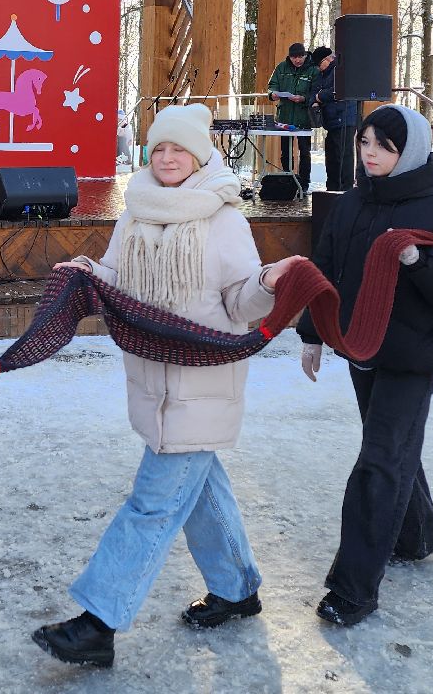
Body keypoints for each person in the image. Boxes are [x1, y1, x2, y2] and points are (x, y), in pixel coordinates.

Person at [31, 103, 299, 668]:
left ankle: (98, 621)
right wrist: (88, 273)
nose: (168, 157)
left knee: (152, 504)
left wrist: (269, 283)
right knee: (199, 487)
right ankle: (237, 588)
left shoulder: (224, 219)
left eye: (179, 148)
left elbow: (240, 301)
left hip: (202, 380)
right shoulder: (136, 212)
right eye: (159, 148)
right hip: (152, 376)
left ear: (200, 155)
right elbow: (118, 278)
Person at [297, 104, 433, 626]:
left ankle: (353, 588)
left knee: (379, 461)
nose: (370, 153)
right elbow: (323, 270)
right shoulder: (351, 204)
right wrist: (313, 333)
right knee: (393, 450)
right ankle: (417, 535)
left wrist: (418, 261)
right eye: (365, 142)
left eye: (384, 146)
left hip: (412, 357)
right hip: (361, 347)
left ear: (410, 152)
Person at [266, 42, 317, 192]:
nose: (297, 60)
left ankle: (304, 184)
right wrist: (272, 94)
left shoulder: (313, 70)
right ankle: (287, 180)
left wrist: (304, 98)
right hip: (285, 117)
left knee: (304, 152)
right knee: (286, 152)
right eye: (294, 57)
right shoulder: (281, 68)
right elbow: (272, 85)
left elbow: (315, 92)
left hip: (304, 117)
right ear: (289, 57)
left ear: (305, 55)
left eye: (300, 57)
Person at [309, 46, 358, 191]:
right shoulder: (322, 75)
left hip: (344, 119)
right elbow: (313, 92)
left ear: (327, 59)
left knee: (344, 156)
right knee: (332, 157)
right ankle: (332, 188)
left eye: (319, 64)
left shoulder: (340, 71)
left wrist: (319, 96)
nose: (318, 68)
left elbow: (338, 91)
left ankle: (345, 189)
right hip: (331, 121)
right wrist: (315, 99)